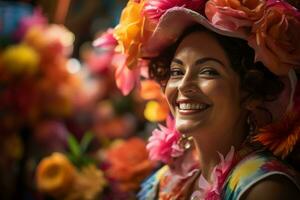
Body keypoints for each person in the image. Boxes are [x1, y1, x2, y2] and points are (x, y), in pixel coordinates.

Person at [111, 0, 300, 199]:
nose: (183, 85)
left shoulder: (264, 189)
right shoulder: (169, 177)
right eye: (177, 71)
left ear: (250, 92)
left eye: (208, 71)